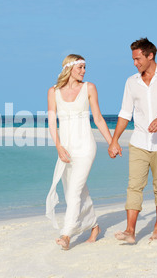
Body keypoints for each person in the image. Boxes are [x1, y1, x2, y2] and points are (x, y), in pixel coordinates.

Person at [109, 38, 157, 244]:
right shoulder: (131, 81)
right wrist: (114, 140)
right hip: (139, 142)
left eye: (138, 58)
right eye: (133, 59)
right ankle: (130, 231)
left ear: (150, 56)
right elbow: (125, 113)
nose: (135, 63)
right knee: (134, 186)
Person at [46, 54, 113, 250]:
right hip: (66, 148)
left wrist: (112, 142)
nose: (84, 71)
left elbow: (98, 119)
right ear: (69, 68)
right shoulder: (53, 92)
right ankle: (94, 226)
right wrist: (58, 146)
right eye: (80, 67)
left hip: (85, 146)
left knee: (74, 191)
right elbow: (51, 123)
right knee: (74, 191)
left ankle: (66, 235)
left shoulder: (89, 88)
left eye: (85, 67)